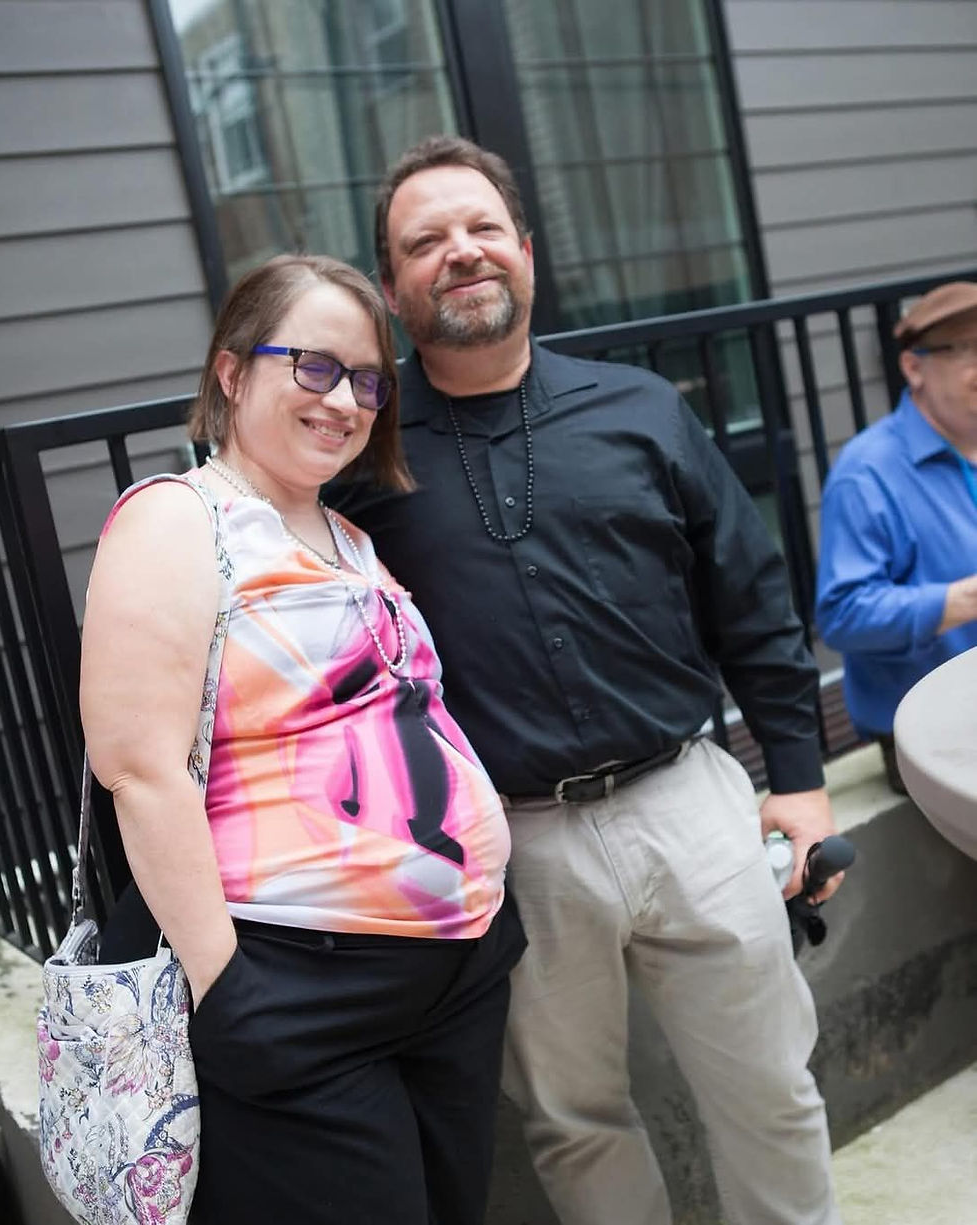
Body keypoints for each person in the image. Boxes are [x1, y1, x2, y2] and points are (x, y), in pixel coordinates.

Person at [328, 136, 842, 1225]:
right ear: (389, 287)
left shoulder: (641, 408)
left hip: (689, 803)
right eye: (425, 243)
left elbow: (748, 594)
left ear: (523, 250)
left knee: (768, 1090)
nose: (457, 254)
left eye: (478, 230)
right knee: (572, 1122)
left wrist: (795, 781)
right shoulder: (358, 460)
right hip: (511, 848)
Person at [79, 253, 525, 1225]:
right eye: (314, 367)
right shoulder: (176, 520)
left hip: (456, 970)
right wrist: (224, 984)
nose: (346, 400)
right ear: (232, 373)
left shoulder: (342, 533)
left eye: (368, 380)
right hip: (300, 985)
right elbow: (138, 766)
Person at [816, 281, 977, 795]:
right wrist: (960, 600)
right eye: (968, 348)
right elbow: (842, 616)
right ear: (913, 368)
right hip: (933, 736)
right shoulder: (867, 473)